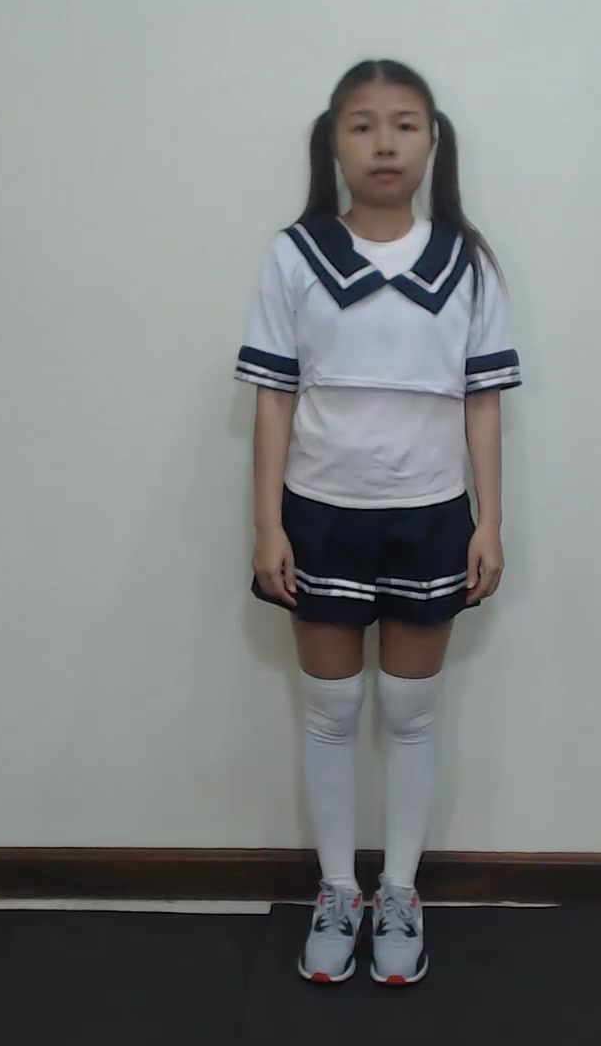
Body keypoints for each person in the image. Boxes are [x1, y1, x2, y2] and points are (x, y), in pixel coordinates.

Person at [233, 58, 522, 987]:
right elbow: (274, 398)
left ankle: (400, 890)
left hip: (431, 516)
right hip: (320, 515)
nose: (384, 142)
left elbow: (483, 402)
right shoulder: (296, 255)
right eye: (362, 125)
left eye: (404, 123)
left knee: (409, 712)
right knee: (330, 714)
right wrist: (268, 525)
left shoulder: (466, 263)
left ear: (433, 141)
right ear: (334, 143)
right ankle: (336, 890)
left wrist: (488, 521)